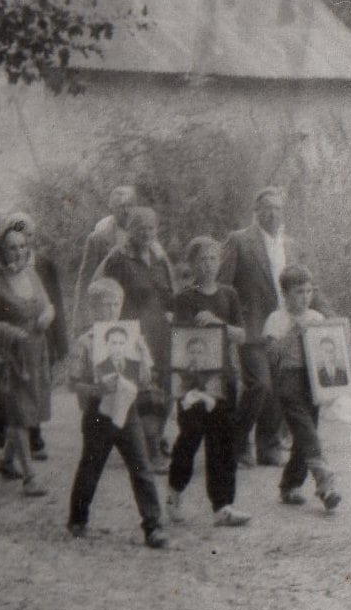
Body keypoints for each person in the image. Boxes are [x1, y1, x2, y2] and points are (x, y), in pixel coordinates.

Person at [66, 278, 168, 547]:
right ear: (92, 308)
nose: (111, 310)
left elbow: (146, 377)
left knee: (141, 465)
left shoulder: (133, 338)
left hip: (128, 410)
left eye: (115, 304)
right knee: (91, 466)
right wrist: (96, 388)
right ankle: (78, 519)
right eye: (104, 305)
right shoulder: (86, 342)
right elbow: (72, 382)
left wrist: (145, 370)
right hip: (98, 413)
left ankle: (153, 525)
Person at [166, 237, 249, 528]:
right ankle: (175, 491)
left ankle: (223, 506)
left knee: (223, 443)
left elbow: (241, 335)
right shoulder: (184, 299)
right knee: (190, 437)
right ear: (192, 264)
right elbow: (180, 341)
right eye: (202, 259)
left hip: (223, 380)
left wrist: (218, 323)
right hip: (192, 381)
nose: (209, 265)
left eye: (214, 259)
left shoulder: (229, 295)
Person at [0, 227, 56, 497]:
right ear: (1, 251)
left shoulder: (31, 275)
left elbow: (48, 305)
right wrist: (8, 332)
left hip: (34, 352)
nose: (18, 252)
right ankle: (29, 477)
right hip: (7, 357)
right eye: (11, 247)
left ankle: (7, 462)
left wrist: (47, 316)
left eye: (22, 246)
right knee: (18, 413)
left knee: (28, 409)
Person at [219, 187, 295, 466]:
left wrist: (329, 315)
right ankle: (237, 444)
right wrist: (226, 324)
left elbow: (304, 285)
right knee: (259, 385)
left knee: (279, 386)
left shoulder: (290, 244)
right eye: (267, 208)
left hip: (283, 326)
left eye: (277, 208)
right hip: (250, 327)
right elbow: (223, 285)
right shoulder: (239, 241)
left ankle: (269, 446)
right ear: (256, 211)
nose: (273, 213)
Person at [97, 204, 175, 468]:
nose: (146, 232)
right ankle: (149, 449)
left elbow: (168, 293)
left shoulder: (159, 256)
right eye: (140, 227)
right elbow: (104, 292)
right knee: (144, 388)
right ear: (129, 230)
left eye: (151, 227)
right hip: (133, 330)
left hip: (161, 331)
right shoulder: (119, 258)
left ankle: (157, 437)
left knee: (165, 385)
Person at [262, 265, 341, 511]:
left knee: (304, 433)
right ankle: (325, 483)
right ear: (285, 294)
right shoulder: (277, 319)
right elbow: (271, 354)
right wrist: (293, 333)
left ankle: (290, 485)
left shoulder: (316, 318)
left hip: (312, 380)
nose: (305, 297)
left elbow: (329, 353)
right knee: (305, 429)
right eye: (298, 292)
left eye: (308, 291)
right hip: (288, 379)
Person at [0, 212, 69, 460]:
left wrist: (61, 341)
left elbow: (55, 301)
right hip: (14, 336)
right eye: (18, 235)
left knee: (39, 385)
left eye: (28, 235)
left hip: (42, 335)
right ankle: (31, 438)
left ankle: (26, 436)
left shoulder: (44, 265)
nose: (24, 242)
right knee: (21, 386)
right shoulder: (0, 269)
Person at [72, 185, 136, 323]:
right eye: (121, 206)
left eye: (130, 205)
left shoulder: (143, 236)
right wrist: (82, 319)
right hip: (108, 309)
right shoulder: (97, 239)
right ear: (112, 208)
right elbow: (85, 281)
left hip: (135, 309)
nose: (126, 211)